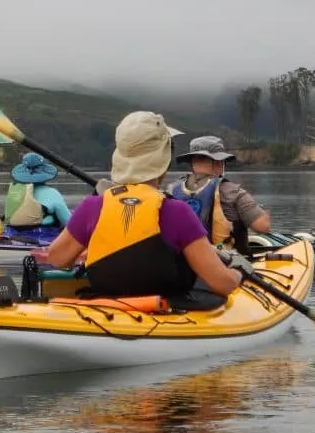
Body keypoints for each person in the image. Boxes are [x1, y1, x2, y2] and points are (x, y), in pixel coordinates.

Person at [45, 111, 245, 306]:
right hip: (166, 314)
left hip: (106, 310)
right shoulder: (178, 212)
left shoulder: (92, 206)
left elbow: (57, 258)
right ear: (163, 160)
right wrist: (238, 272)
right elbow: (222, 284)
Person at [165, 135, 271, 256]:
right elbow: (262, 227)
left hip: (182, 266)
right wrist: (266, 214)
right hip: (225, 265)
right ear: (218, 163)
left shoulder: (171, 190)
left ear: (192, 162)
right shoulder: (232, 191)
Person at [3, 152, 72, 240]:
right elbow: (69, 223)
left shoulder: (15, 192)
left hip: (12, 233)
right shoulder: (52, 193)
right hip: (42, 235)